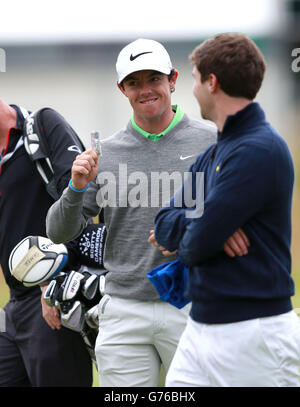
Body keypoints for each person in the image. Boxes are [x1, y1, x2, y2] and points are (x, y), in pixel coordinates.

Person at [46, 38, 247, 387]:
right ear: (122, 89)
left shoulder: (213, 141)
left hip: (195, 302)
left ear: (173, 79)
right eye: (134, 82)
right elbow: (59, 233)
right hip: (123, 308)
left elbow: (246, 213)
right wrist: (77, 186)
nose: (145, 90)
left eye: (154, 78)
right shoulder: (103, 153)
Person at [151, 33, 300, 387]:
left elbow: (195, 246)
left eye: (195, 78)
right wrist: (210, 223)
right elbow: (164, 222)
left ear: (212, 82)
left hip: (255, 334)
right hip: (201, 328)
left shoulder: (259, 150)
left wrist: (205, 230)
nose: (193, 89)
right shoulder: (215, 153)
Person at [0, 99, 93, 386]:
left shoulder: (42, 125)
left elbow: (82, 204)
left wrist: (54, 283)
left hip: (53, 296)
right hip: (14, 305)